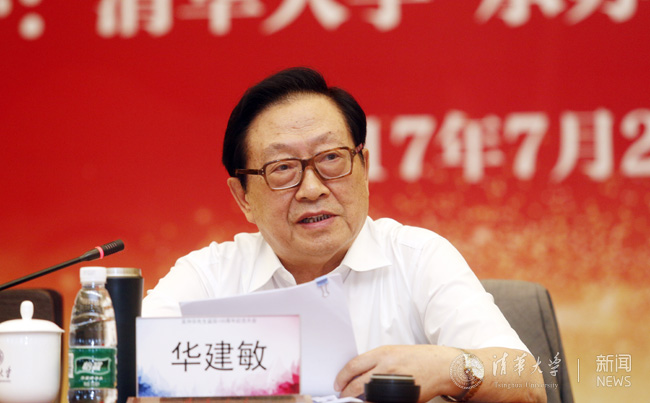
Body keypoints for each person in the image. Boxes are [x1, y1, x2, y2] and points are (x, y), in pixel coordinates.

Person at [142, 67, 547, 402]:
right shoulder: (208, 276)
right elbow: (137, 371)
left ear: (363, 167)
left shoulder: (419, 257)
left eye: (331, 158)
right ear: (243, 197)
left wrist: (447, 368)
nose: (312, 188)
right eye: (282, 168)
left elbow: (526, 381)